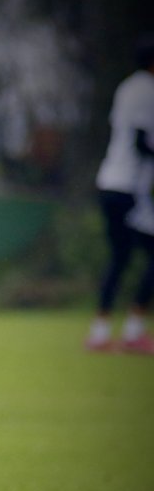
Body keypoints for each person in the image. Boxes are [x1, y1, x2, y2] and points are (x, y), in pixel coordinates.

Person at [86, 34, 154, 354]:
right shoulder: (148, 90)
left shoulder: (127, 87)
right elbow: (142, 141)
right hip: (130, 188)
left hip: (109, 181)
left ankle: (101, 332)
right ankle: (133, 330)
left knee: (120, 257)